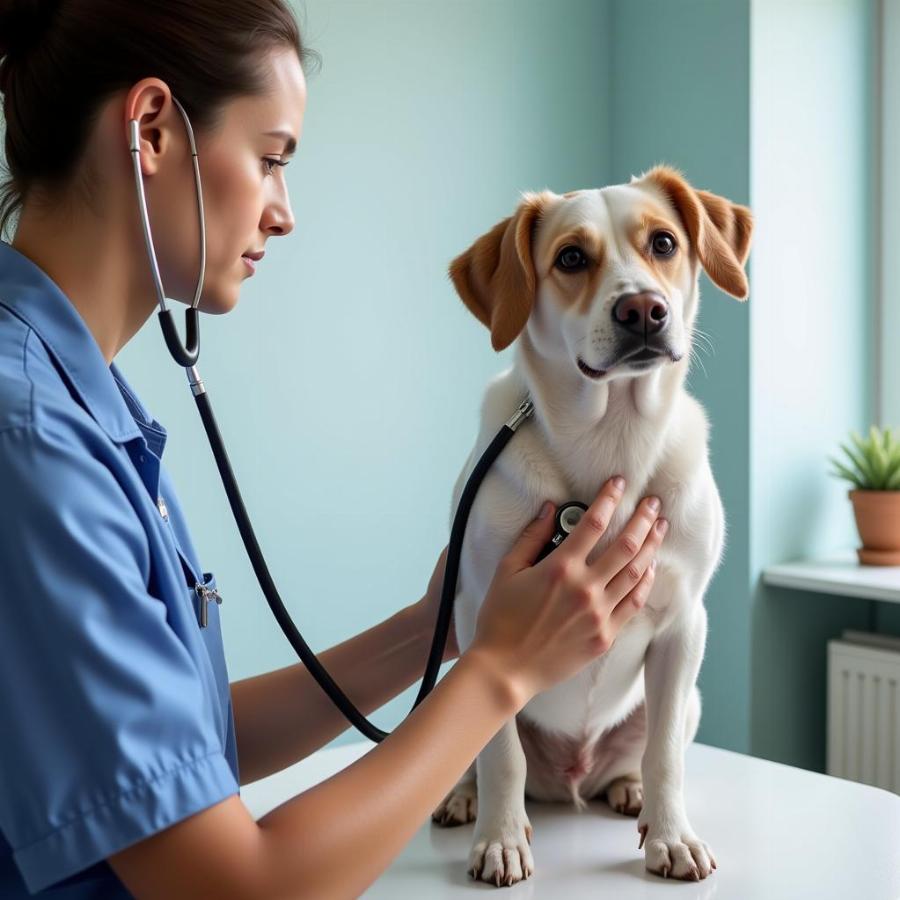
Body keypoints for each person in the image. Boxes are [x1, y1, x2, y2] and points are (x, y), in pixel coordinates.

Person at [0, 1, 669, 897]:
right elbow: (237, 887)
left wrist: (431, 625)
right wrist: (501, 671)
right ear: (153, 129)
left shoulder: (75, 400)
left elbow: (183, 755)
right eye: (272, 159)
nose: (284, 212)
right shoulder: (32, 442)